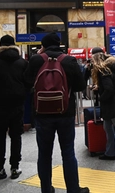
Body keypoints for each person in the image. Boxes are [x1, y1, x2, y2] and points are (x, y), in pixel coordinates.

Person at [24, 32, 89, 193]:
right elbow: (81, 86)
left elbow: (26, 81)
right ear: (59, 44)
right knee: (68, 151)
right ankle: (73, 189)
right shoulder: (68, 60)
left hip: (42, 113)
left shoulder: (36, 60)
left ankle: (46, 189)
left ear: (43, 45)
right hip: (65, 112)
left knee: (44, 153)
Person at [0, 35, 28, 180]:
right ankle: (15, 167)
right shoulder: (22, 62)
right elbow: (28, 82)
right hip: (18, 104)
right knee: (16, 135)